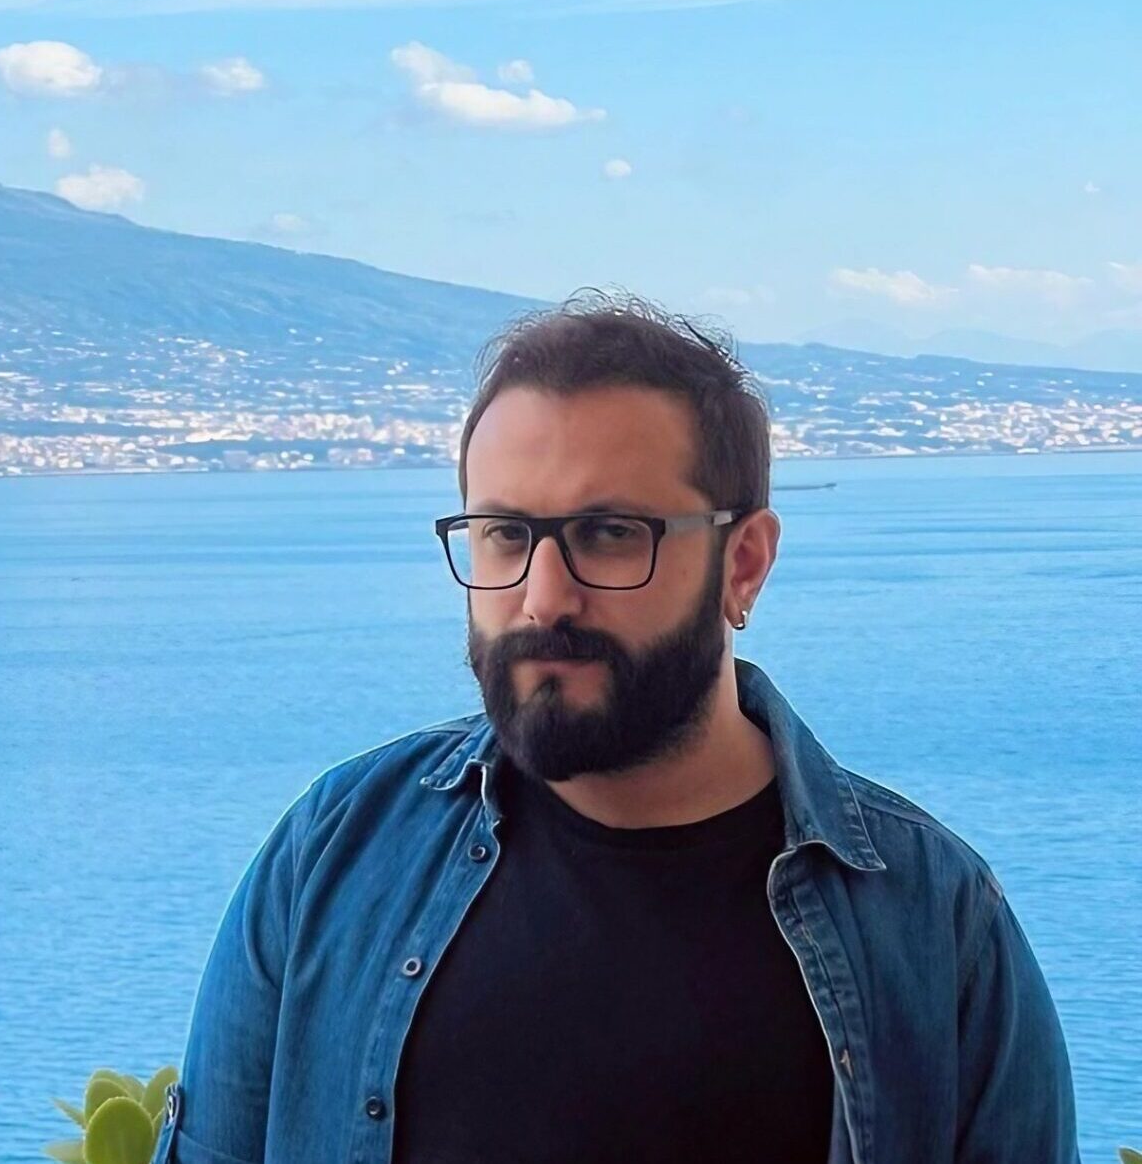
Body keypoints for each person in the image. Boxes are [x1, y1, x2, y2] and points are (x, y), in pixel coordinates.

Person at [151, 291, 1078, 1164]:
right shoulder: (337, 851)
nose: (542, 598)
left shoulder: (932, 920)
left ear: (743, 563)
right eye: (504, 536)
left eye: (610, 534)